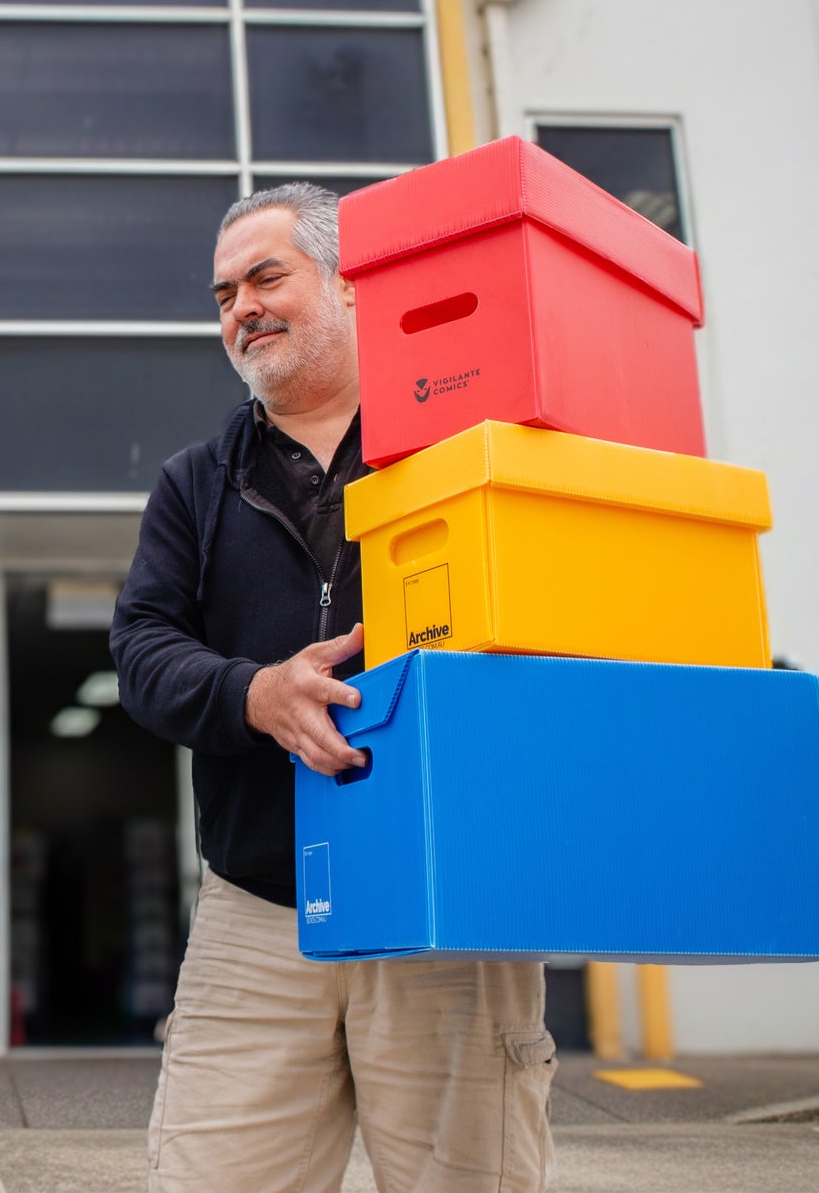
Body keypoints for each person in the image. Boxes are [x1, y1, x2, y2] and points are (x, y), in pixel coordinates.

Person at [111, 183, 555, 1191]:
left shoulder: (464, 442)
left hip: (447, 907)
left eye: (266, 277)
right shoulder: (194, 483)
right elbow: (141, 647)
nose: (242, 308)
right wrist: (252, 694)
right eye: (223, 294)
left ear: (351, 282)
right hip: (257, 909)